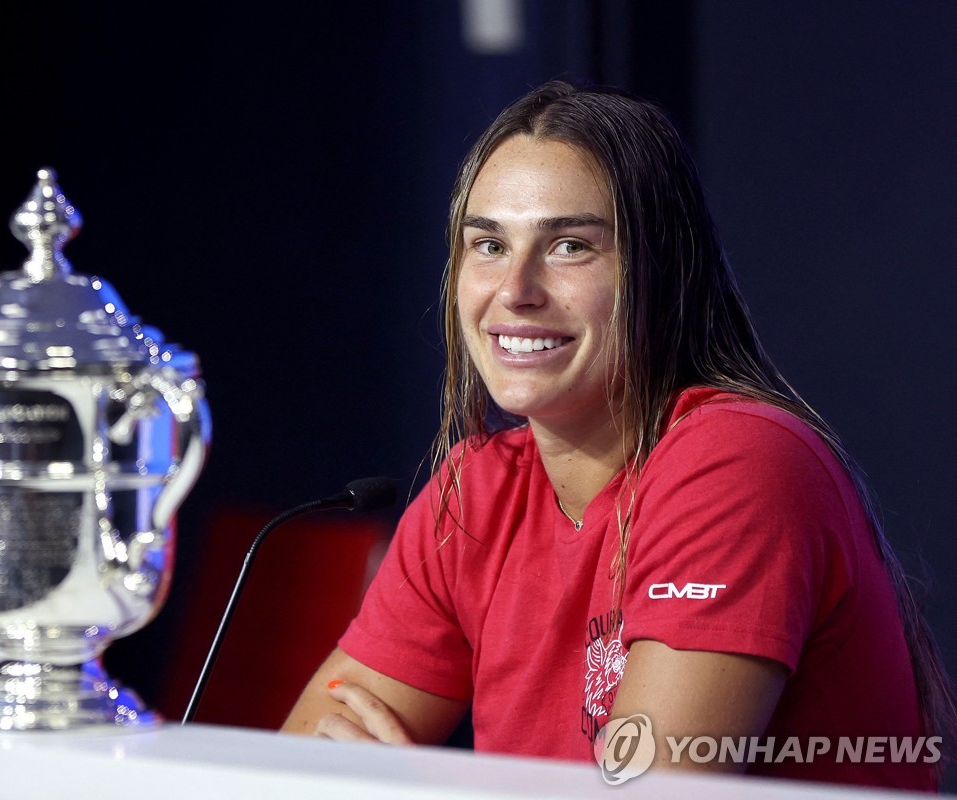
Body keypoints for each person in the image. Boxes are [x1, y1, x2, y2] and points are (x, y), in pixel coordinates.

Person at [280, 78, 954, 791]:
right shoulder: (473, 493)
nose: (515, 290)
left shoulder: (738, 463)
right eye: (488, 245)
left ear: (661, 275)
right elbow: (298, 771)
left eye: (570, 245)